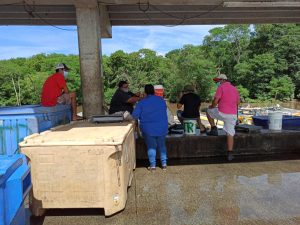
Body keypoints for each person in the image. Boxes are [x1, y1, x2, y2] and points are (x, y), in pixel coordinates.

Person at [132, 84, 168, 171]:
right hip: (162, 127)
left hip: (148, 129)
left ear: (145, 92)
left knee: (151, 146)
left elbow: (134, 115)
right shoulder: (161, 100)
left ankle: (153, 166)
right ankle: (164, 165)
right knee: (162, 145)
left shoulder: (142, 102)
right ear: (154, 91)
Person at [206, 74, 240, 161]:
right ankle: (230, 154)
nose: (217, 83)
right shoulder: (234, 88)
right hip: (232, 115)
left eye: (217, 81)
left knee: (208, 111)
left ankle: (213, 129)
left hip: (222, 113)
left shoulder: (221, 88)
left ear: (222, 80)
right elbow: (238, 102)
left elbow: (215, 101)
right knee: (230, 133)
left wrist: (212, 106)